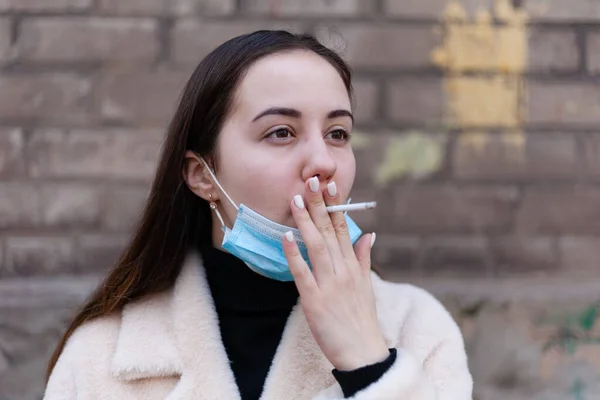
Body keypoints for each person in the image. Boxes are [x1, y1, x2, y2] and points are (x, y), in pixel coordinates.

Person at [43, 30, 473, 400]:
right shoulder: (100, 354)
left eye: (337, 133)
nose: (323, 162)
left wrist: (369, 366)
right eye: (281, 132)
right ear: (201, 175)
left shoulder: (418, 328)